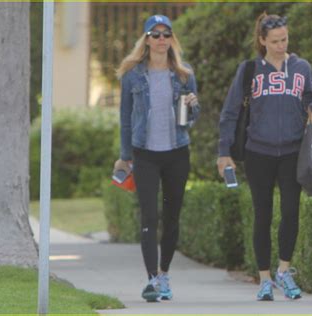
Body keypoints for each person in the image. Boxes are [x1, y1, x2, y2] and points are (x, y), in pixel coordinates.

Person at [217, 13, 312, 301]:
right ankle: (264, 279)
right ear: (262, 41)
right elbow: (230, 113)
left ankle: (284, 270)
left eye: (285, 39)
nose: (281, 45)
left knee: (291, 212)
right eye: (275, 41)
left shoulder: (302, 68)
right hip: (258, 151)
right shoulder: (249, 70)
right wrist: (223, 153)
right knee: (263, 214)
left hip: (293, 151)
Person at [114, 14, 200, 302]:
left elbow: (191, 120)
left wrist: (193, 106)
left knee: (172, 218)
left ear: (171, 39)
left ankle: (164, 274)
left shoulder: (185, 74)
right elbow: (125, 119)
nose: (161, 40)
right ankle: (151, 280)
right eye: (155, 34)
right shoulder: (133, 75)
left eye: (166, 34)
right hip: (145, 154)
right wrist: (125, 157)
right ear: (146, 40)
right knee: (149, 216)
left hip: (177, 153)